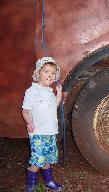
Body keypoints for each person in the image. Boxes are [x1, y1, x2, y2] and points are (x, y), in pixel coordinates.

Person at [22, 57, 62, 192]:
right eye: (46, 71)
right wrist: (29, 123)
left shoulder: (50, 92)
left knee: (47, 159)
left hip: (50, 132)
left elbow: (53, 108)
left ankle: (49, 181)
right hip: (38, 132)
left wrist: (59, 96)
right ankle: (30, 184)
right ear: (38, 72)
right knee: (37, 159)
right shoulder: (32, 91)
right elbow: (25, 110)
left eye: (52, 73)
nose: (49, 75)